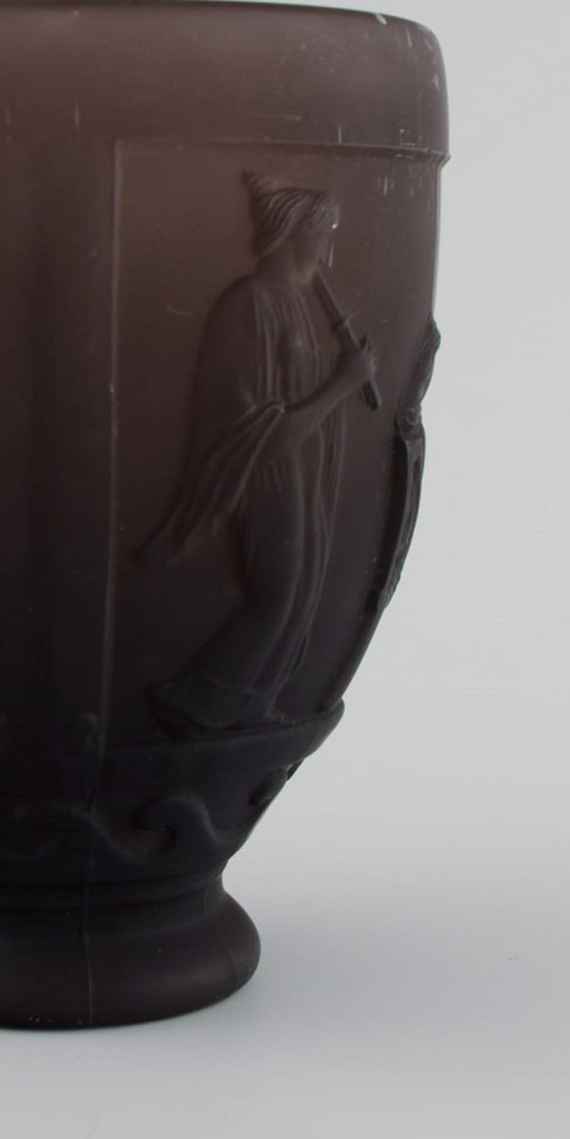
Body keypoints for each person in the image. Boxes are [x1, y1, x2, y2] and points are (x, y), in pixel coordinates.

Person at [135, 171, 376, 733]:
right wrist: (344, 384)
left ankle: (249, 705)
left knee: (301, 594)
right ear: (296, 235)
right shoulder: (247, 305)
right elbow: (254, 428)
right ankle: (196, 701)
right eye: (324, 234)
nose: (330, 248)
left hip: (300, 469)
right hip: (265, 470)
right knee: (278, 594)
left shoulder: (295, 306)